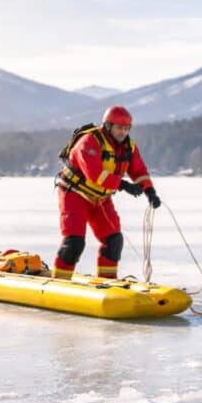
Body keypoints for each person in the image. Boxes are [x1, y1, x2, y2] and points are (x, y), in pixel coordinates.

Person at [52, 105, 162, 280]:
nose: (123, 132)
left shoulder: (128, 147)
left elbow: (139, 171)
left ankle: (107, 283)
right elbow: (95, 174)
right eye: (120, 128)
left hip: (101, 198)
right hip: (75, 193)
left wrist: (150, 192)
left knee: (114, 240)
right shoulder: (89, 142)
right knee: (74, 243)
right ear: (108, 126)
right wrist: (124, 185)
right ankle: (58, 282)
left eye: (127, 128)